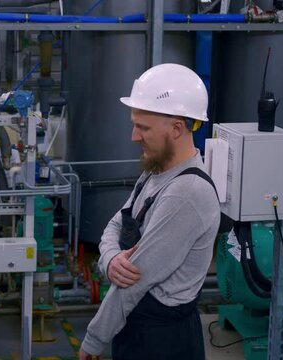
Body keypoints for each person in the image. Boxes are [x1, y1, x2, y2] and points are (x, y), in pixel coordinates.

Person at [79, 63, 222, 360]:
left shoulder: (186, 192)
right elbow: (114, 226)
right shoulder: (157, 171)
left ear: (177, 128)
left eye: (143, 127)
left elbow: (136, 281)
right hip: (137, 327)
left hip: (163, 341)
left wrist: (93, 340)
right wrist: (110, 259)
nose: (133, 136)